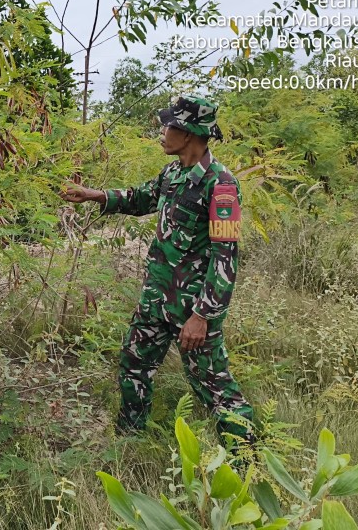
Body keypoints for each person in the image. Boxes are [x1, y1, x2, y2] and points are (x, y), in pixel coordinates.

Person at [61, 95, 253, 443]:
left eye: (168, 126)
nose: (162, 133)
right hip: (156, 300)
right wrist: (95, 195)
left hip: (191, 309)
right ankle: (130, 441)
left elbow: (225, 258)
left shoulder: (220, 185)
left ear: (189, 133)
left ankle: (247, 456)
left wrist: (202, 316)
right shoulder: (173, 173)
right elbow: (140, 198)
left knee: (213, 387)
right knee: (134, 364)